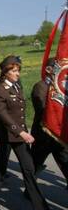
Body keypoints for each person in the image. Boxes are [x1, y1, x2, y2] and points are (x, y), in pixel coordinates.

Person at [0, 55, 55, 210]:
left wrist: (22, 132)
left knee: (29, 172)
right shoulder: (0, 89)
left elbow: (20, 114)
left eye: (18, 71)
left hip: (20, 138)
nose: (17, 74)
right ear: (5, 72)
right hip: (6, 137)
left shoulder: (17, 87)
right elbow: (2, 114)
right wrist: (20, 132)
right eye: (14, 71)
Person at [31, 57, 68, 189]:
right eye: (56, 67)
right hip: (43, 136)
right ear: (48, 69)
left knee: (65, 162)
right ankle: (30, 191)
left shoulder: (59, 88)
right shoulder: (40, 86)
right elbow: (41, 109)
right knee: (34, 166)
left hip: (57, 136)